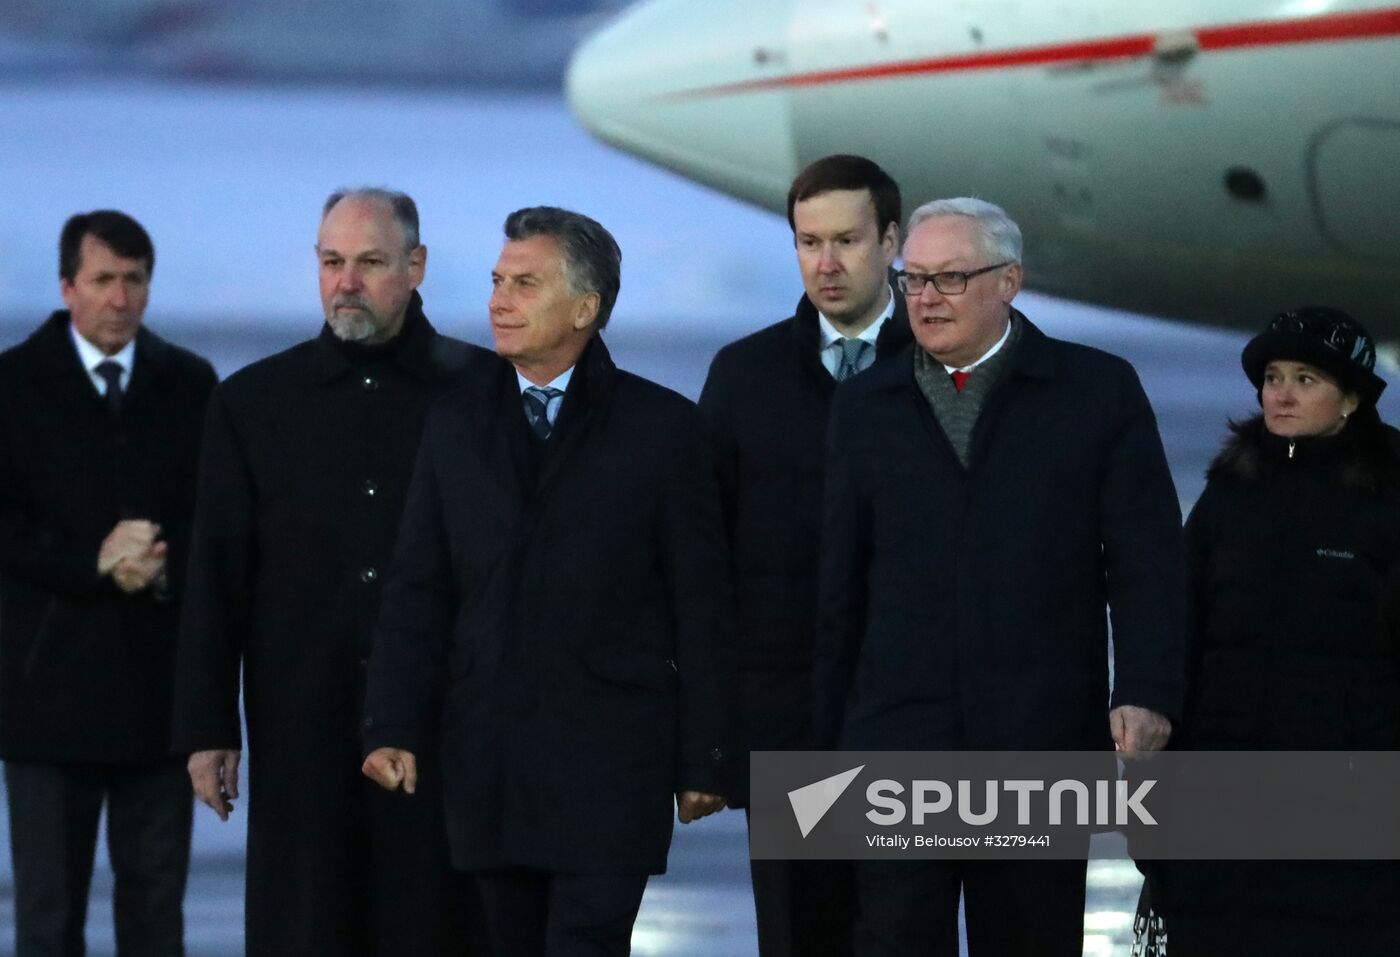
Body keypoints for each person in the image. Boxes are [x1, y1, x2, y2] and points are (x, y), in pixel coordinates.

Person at [811, 197, 1186, 956]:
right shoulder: (864, 406)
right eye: (913, 280)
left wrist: (1146, 689)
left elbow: (1147, 560)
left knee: (1029, 935)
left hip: (1036, 731)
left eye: (949, 279)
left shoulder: (1096, 391)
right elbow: (838, 588)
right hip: (898, 737)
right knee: (893, 934)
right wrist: (824, 744)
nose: (925, 299)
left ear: (1009, 280)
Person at [362, 205, 736, 957]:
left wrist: (707, 757)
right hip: (489, 759)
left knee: (587, 944)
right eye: (499, 280)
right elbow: (418, 586)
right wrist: (390, 722)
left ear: (585, 307)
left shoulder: (664, 431)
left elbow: (703, 606)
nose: (499, 299)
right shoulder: (455, 422)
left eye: (525, 283)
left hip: (611, 765)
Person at [172, 188, 488, 954]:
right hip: (300, 734)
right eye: (331, 262)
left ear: (415, 267)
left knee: (435, 930)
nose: (346, 281)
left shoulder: (484, 395)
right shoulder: (253, 403)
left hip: (444, 733)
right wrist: (209, 728)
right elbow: (215, 578)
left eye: (370, 263)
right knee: (306, 928)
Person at [698, 153, 909, 957]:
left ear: (891, 240)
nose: (826, 263)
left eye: (847, 240)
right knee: (797, 935)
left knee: (903, 931)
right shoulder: (744, 376)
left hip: (910, 720)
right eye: (808, 241)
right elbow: (705, 562)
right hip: (786, 725)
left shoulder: (938, 373)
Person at [1146, 307, 1400, 955]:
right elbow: (1178, 632)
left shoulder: (1387, 497)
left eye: (1306, 378)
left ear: (1350, 398)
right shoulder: (1231, 491)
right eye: (1273, 376)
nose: (1281, 393)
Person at [0, 210, 217, 956]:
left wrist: (156, 558)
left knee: (156, 918)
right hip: (44, 701)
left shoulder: (191, 385)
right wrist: (92, 558)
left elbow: (216, 519)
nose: (120, 299)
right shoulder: (12, 385)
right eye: (103, 281)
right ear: (67, 287)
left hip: (157, 701)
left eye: (134, 281)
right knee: (47, 919)